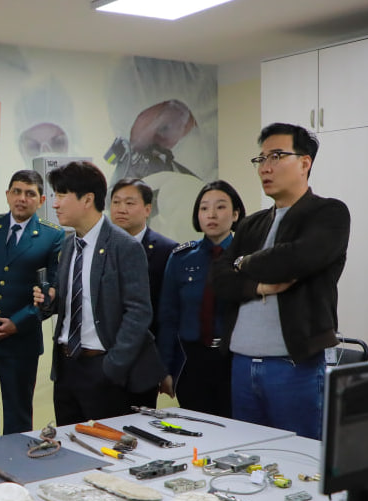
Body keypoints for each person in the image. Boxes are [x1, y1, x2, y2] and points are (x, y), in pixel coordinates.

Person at [212, 123, 350, 439]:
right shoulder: (252, 225)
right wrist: (257, 286)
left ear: (304, 163)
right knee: (249, 457)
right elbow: (219, 279)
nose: (265, 167)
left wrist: (243, 262)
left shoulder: (329, 213)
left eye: (276, 156)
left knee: (299, 456)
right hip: (241, 364)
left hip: (293, 366)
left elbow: (294, 259)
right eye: (261, 159)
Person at [32, 161, 164, 425]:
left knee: (108, 447)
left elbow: (138, 313)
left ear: (87, 199)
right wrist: (50, 301)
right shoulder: (68, 245)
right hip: (67, 368)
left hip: (104, 368)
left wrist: (112, 366)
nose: (55, 204)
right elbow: (73, 301)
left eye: (61, 195)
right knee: (69, 442)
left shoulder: (124, 246)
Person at [0, 170, 63, 438]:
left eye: (29, 194)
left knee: (18, 413)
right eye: (16, 191)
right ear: (7, 194)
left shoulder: (53, 236)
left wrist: (18, 323)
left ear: (41, 200)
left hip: (20, 342)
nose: (21, 198)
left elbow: (52, 293)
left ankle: (14, 461)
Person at [156, 180, 246, 417]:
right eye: (204, 208)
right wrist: (165, 369)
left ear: (235, 214)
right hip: (192, 361)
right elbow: (168, 318)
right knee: (196, 425)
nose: (211, 214)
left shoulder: (247, 256)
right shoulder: (182, 257)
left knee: (236, 427)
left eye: (220, 207)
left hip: (235, 360)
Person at [109, 177, 178, 407]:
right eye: (116, 202)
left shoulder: (167, 250)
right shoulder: (101, 248)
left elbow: (168, 314)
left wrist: (164, 366)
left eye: (129, 203)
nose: (121, 209)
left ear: (147, 209)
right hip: (103, 359)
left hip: (143, 361)